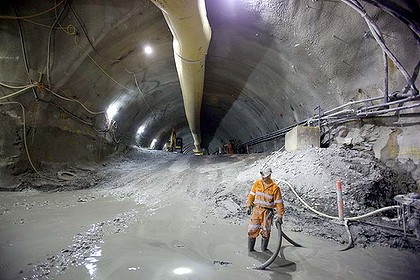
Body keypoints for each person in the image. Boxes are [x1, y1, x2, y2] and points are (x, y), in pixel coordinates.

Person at [246, 166, 284, 252]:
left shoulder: (275, 188)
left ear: (269, 175)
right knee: (252, 229)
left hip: (267, 213)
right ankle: (250, 250)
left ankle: (264, 250)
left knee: (266, 232)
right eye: (262, 176)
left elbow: (279, 203)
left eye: (265, 177)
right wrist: (249, 205)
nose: (263, 178)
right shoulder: (257, 183)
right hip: (256, 210)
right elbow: (251, 195)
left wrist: (280, 216)